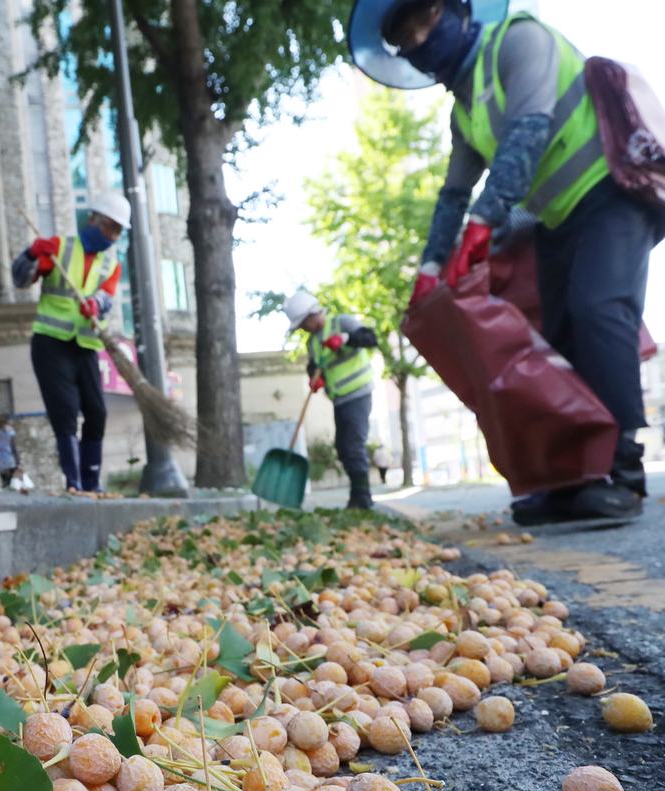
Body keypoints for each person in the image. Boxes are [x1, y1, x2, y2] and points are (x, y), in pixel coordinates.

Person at [350, 0, 665, 525]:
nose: (416, 44)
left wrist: (485, 221)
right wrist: (429, 271)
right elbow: (453, 194)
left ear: (452, 11)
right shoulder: (464, 110)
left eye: (420, 24)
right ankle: (572, 475)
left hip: (610, 192)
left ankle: (621, 472)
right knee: (556, 339)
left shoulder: (520, 41)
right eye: (404, 40)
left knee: (597, 309)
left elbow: (529, 130)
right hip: (556, 220)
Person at [11, 191, 130, 493]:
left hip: (85, 347)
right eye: (109, 227)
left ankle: (92, 483)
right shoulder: (58, 249)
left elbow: (106, 297)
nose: (112, 235)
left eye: (118, 231)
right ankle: (74, 483)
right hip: (51, 344)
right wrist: (31, 255)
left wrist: (94, 303)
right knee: (65, 411)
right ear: (92, 219)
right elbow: (21, 280)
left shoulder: (110, 265)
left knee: (97, 413)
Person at [284, 291, 382, 510]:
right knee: (343, 447)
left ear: (312, 315)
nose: (302, 328)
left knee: (353, 445)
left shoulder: (342, 323)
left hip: (358, 393)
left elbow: (370, 338)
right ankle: (358, 494)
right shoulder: (312, 343)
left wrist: (346, 339)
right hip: (339, 399)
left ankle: (362, 498)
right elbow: (314, 365)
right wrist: (314, 379)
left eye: (302, 324)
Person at [0, 420, 19, 488]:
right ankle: (7, 486)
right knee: (9, 477)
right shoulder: (11, 435)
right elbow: (14, 449)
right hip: (10, 460)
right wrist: (18, 462)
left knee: (4, 479)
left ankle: (5, 486)